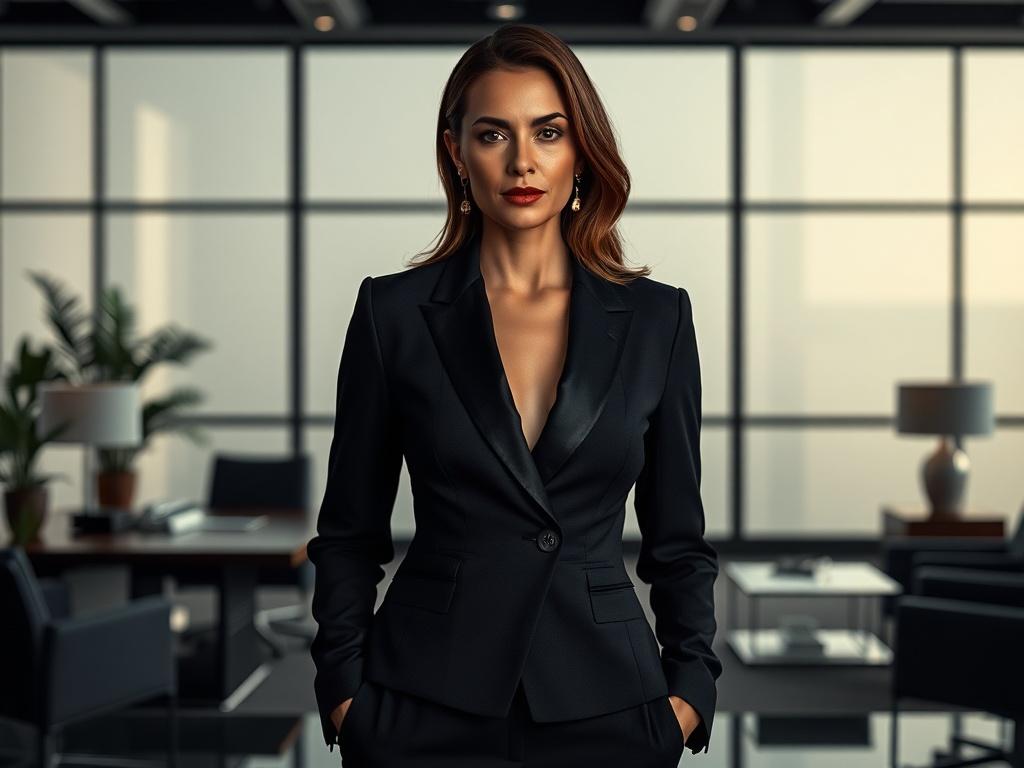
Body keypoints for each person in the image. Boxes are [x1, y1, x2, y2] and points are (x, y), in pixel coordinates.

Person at [306, 22, 722, 767]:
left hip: (610, 700)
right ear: (455, 151)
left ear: (580, 152)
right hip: (420, 697)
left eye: (548, 133)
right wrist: (343, 687)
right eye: (493, 134)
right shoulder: (391, 313)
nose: (522, 160)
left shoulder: (658, 319)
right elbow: (349, 530)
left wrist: (691, 687)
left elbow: (678, 539)